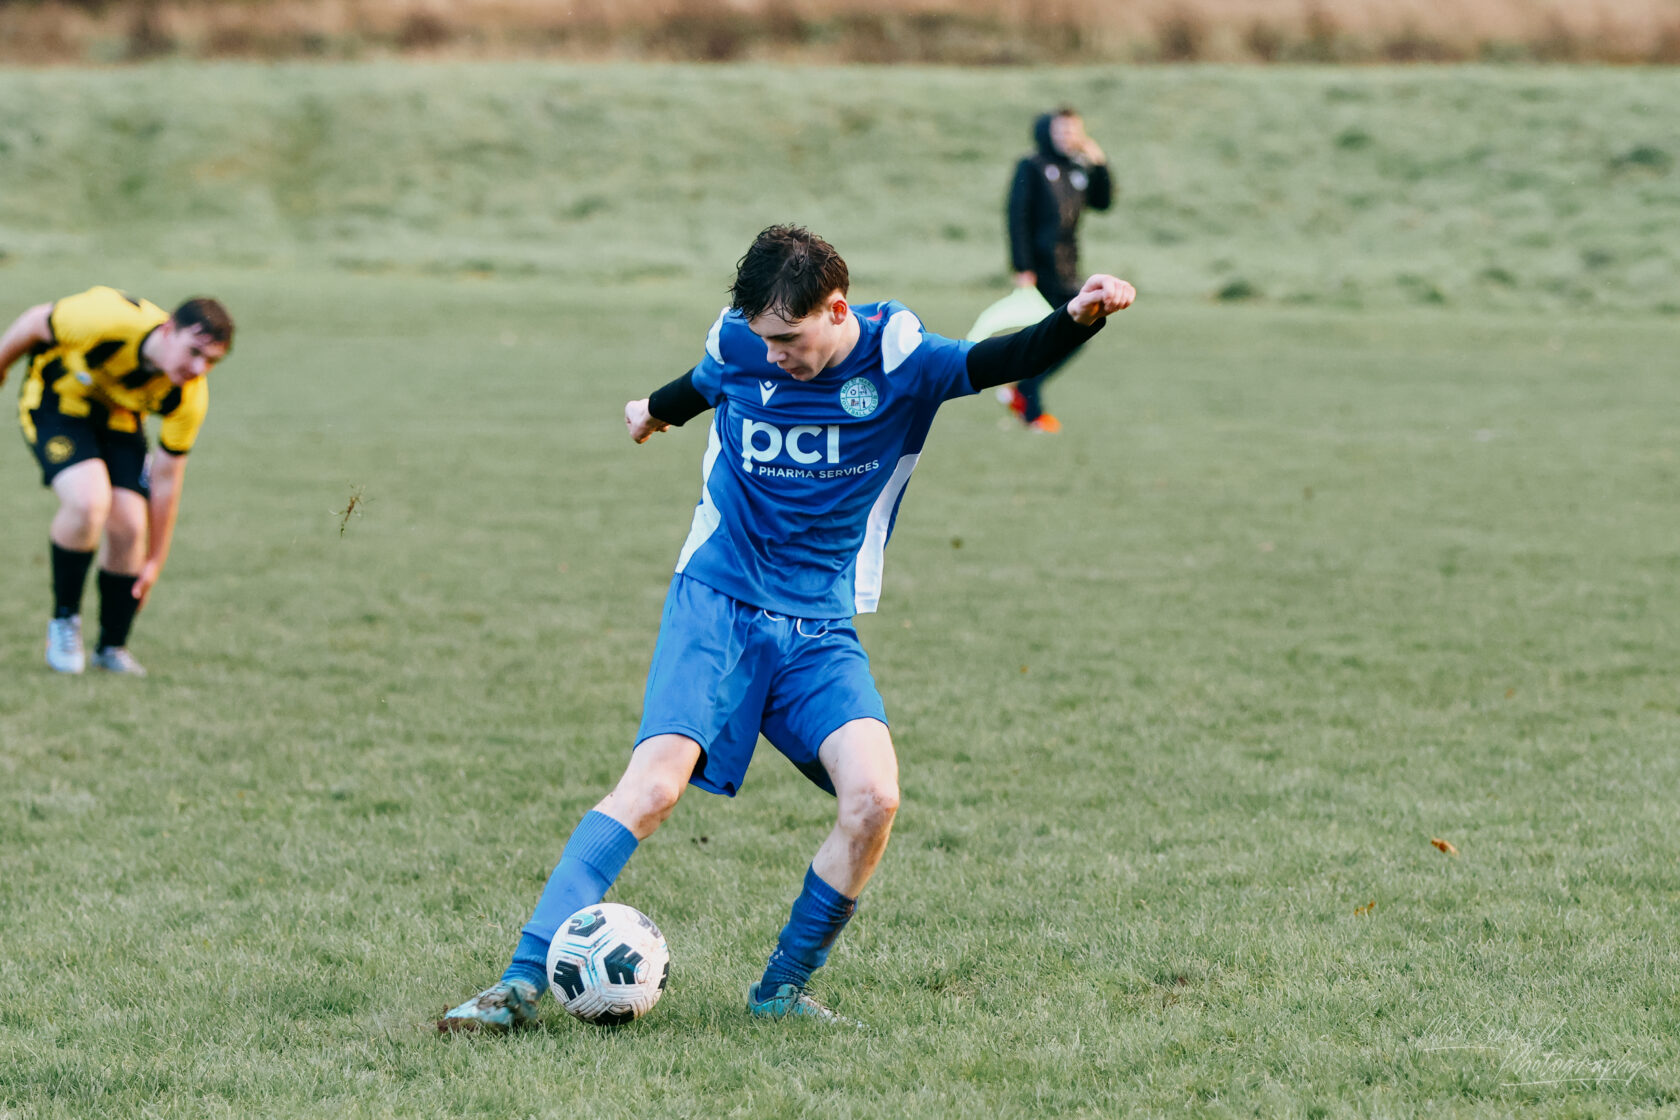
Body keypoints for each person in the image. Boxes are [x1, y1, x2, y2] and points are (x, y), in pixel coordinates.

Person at [438, 225, 1135, 1032]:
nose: (774, 357)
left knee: (874, 799)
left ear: (837, 308)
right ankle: (517, 986)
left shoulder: (900, 358)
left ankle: (778, 993)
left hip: (818, 625)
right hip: (718, 601)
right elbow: (705, 383)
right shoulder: (742, 343)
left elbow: (1001, 361)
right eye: (764, 340)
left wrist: (1080, 316)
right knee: (656, 786)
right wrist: (649, 412)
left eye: (790, 341)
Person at [0, 286, 234, 676]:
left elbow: (166, 478)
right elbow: (35, 321)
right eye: (194, 351)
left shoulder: (188, 396)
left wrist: (155, 560)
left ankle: (111, 647)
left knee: (129, 528)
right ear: (166, 330)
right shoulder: (105, 319)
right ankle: (64, 622)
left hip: (119, 421)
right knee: (89, 502)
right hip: (58, 403)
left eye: (211, 361)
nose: (198, 368)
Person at [1004, 106, 1113, 432]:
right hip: (1041, 266)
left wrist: (1100, 163)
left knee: (1068, 334)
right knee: (1065, 332)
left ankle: (1023, 393)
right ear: (1047, 133)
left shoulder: (1077, 168)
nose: (1068, 136)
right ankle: (1029, 402)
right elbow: (1016, 216)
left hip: (1069, 265)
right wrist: (1022, 266)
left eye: (1073, 130)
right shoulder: (1032, 166)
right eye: (1061, 130)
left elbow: (1104, 202)